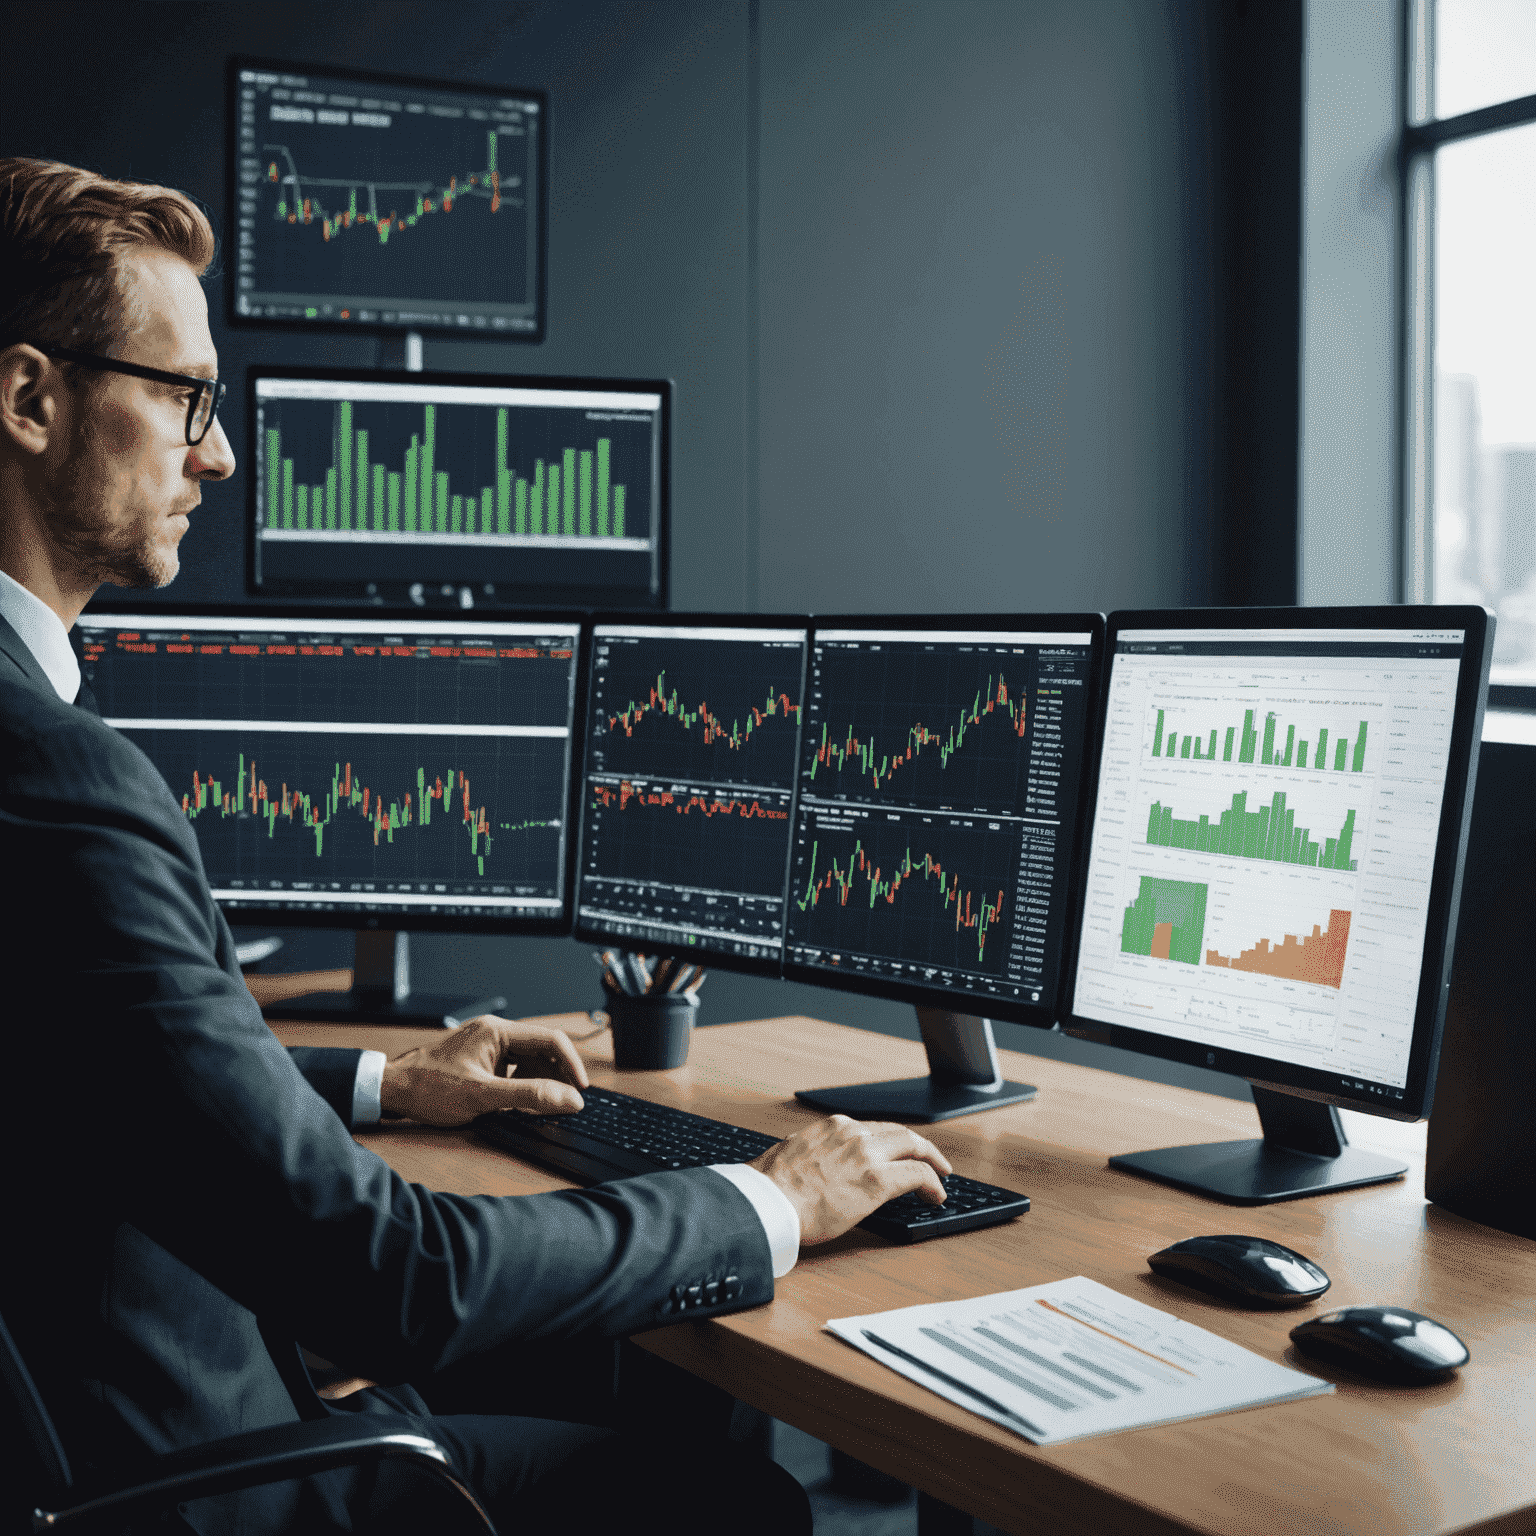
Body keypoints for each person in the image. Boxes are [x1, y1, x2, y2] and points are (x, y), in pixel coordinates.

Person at [0, 157, 953, 1535]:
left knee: (606, 1389)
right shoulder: (59, 781)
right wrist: (771, 1197)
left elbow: (100, 1060)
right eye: (184, 396)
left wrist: (389, 1083)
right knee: (723, 1502)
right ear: (30, 398)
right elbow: (401, 1279)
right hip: (188, 1480)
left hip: (126, 1427)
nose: (217, 452)